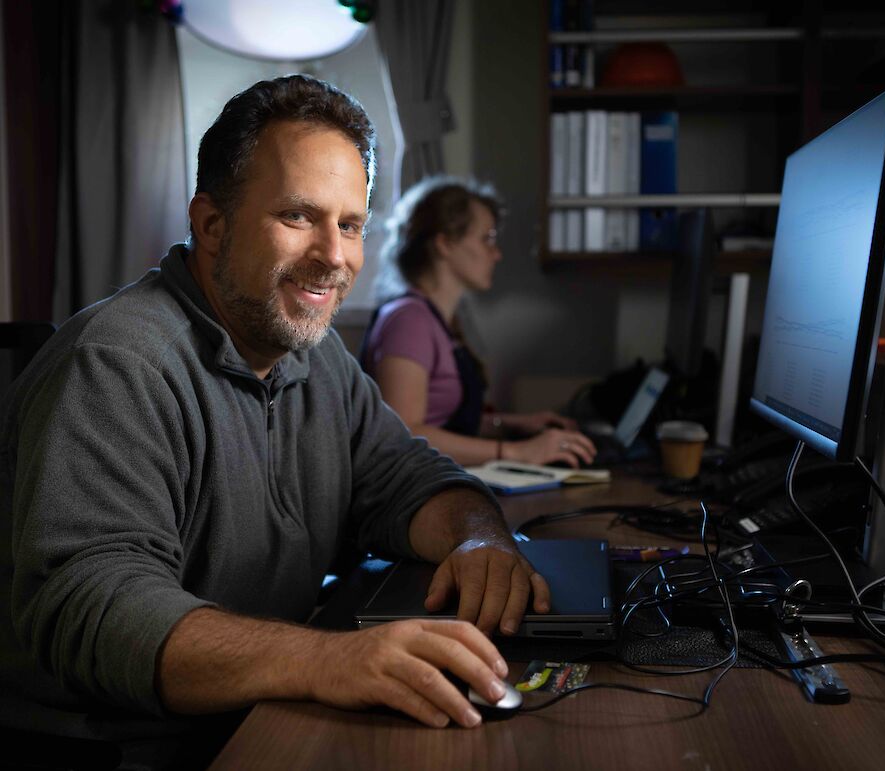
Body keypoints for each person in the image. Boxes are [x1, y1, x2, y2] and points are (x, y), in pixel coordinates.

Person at [0, 75, 551, 765]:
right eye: (298, 216)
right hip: (123, 747)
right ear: (210, 224)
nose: (334, 254)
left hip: (256, 711)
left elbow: (405, 475)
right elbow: (100, 610)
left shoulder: (314, 356)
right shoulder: (116, 363)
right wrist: (329, 661)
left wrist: (479, 539)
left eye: (350, 224)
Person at [360, 177, 597, 468]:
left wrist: (512, 424)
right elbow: (404, 431)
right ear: (445, 244)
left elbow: (442, 422)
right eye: (487, 239)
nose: (496, 254)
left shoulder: (436, 319)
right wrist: (517, 453)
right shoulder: (409, 320)